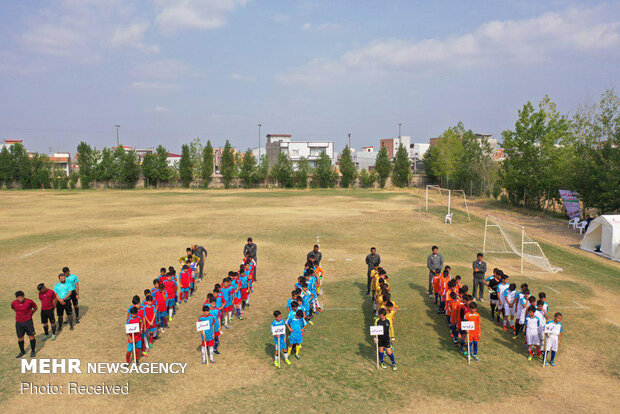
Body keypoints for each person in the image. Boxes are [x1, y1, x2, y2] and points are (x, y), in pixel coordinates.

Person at [12, 291, 38, 358]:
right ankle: (22, 352)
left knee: (31, 336)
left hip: (28, 322)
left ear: (24, 296)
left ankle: (33, 351)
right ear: (16, 298)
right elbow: (14, 309)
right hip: (19, 323)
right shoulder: (14, 303)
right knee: (20, 338)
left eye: (21, 297)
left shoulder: (29, 302)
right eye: (18, 298)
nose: (20, 299)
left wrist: (31, 313)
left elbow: (35, 307)